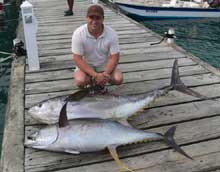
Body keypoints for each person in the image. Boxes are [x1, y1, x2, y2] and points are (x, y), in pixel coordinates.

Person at [72, 4, 123, 89]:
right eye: (91, 17)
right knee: (80, 81)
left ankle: (96, 81)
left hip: (104, 65)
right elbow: (78, 59)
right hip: (86, 65)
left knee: (118, 79)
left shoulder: (112, 33)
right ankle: (95, 80)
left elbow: (115, 57)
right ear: (87, 18)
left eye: (98, 18)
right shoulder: (78, 34)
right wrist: (95, 75)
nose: (94, 21)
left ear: (103, 19)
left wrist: (106, 74)